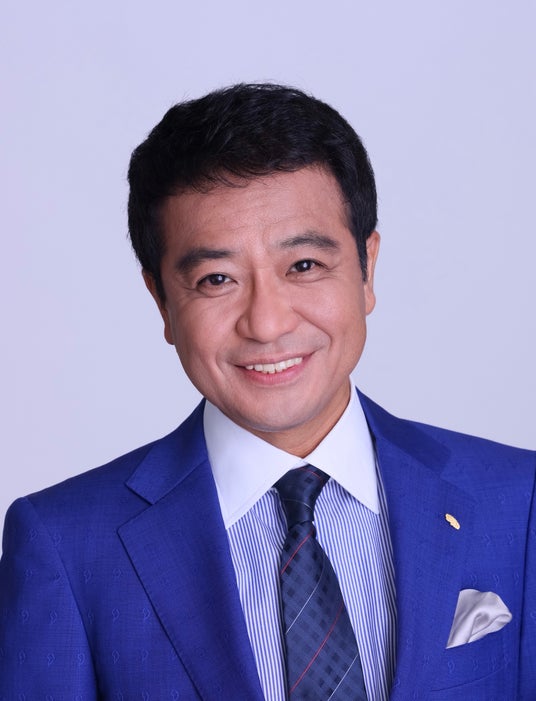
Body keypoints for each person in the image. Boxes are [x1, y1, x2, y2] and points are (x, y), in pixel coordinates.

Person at [0, 83, 534, 701]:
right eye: (216, 279)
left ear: (367, 269)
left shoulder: (519, 502)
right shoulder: (65, 546)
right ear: (162, 301)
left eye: (303, 266)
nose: (267, 322)